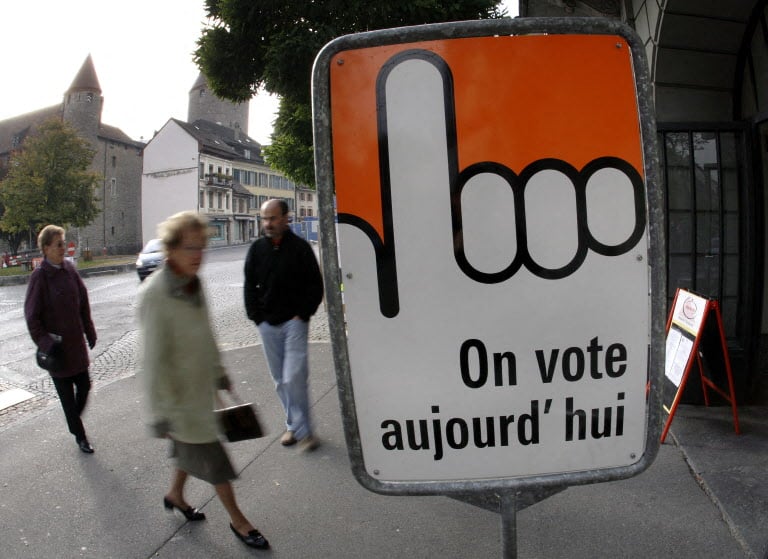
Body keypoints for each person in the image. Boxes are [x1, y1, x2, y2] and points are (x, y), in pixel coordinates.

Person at [137, 211, 268, 550]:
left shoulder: (195, 284)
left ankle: (175, 494)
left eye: (202, 246)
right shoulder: (156, 293)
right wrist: (160, 414)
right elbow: (150, 361)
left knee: (189, 450)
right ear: (170, 249)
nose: (198, 254)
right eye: (189, 247)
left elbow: (206, 334)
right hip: (179, 400)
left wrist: (218, 372)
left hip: (201, 390)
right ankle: (239, 521)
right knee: (214, 460)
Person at [244, 199, 324, 451]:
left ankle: (306, 431)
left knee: (294, 377)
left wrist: (303, 314)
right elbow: (249, 284)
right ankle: (293, 426)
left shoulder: (300, 248)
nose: (268, 223)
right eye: (264, 218)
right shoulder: (257, 249)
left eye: (273, 218)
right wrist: (256, 316)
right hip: (268, 324)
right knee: (280, 380)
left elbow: (315, 284)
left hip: (294, 323)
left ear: (286, 218)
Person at [24, 225, 97, 454]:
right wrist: (46, 344)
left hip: (76, 347)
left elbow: (83, 303)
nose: (63, 248)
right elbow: (32, 316)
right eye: (58, 244)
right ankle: (80, 436)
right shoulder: (40, 277)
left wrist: (90, 331)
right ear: (46, 248)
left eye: (63, 243)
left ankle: (73, 421)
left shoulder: (69, 269)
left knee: (84, 386)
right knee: (67, 400)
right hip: (57, 352)